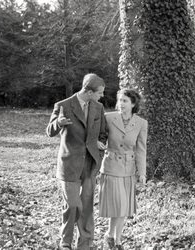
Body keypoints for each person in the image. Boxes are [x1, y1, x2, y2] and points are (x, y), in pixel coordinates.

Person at [46, 73, 107, 250]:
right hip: (69, 164)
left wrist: (99, 145)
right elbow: (49, 131)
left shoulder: (98, 107)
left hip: (90, 164)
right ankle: (66, 242)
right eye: (99, 93)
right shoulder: (63, 105)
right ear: (88, 91)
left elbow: (102, 132)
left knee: (86, 206)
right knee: (73, 205)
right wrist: (59, 122)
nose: (102, 96)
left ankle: (85, 244)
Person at [99, 88, 148, 250]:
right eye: (120, 100)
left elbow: (141, 149)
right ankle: (110, 235)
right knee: (119, 205)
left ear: (133, 104)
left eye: (125, 101)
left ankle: (115, 239)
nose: (121, 104)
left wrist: (142, 173)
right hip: (111, 166)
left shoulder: (141, 123)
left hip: (128, 169)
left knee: (124, 207)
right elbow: (99, 137)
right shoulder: (108, 118)